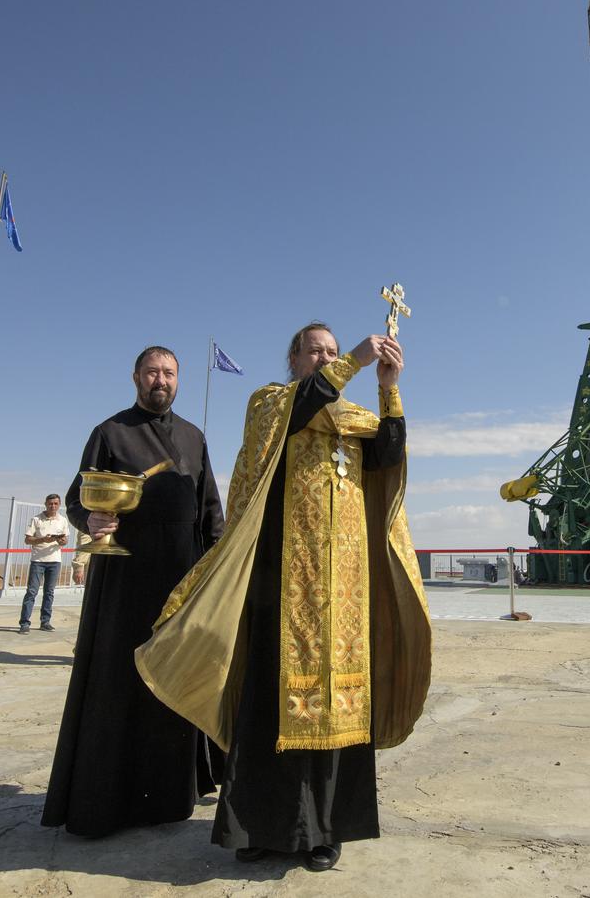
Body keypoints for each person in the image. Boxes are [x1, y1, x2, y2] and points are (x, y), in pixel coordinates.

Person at [136, 322, 432, 873]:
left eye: (332, 351)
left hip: (344, 592)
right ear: (294, 359)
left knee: (339, 707)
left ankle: (327, 831)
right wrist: (354, 363)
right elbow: (295, 413)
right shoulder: (271, 403)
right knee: (270, 705)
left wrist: (389, 387)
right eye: (314, 350)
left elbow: (388, 458)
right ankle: (259, 826)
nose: (324, 358)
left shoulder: (354, 422)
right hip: (281, 581)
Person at [42, 345, 226, 837]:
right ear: (135, 378)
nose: (159, 380)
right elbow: (80, 498)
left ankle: (171, 795)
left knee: (174, 682)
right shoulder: (110, 432)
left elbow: (211, 511)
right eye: (151, 372)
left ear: (178, 380)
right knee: (118, 684)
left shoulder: (194, 437)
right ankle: (107, 800)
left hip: (181, 579)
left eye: (168, 373)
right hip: (124, 580)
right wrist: (90, 517)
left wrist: (217, 570)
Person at [18, 494, 68, 634]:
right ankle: (24, 623)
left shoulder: (62, 520)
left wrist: (61, 541)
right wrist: (42, 540)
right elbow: (28, 540)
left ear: (59, 505)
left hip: (55, 560)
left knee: (49, 592)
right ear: (45, 504)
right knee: (32, 592)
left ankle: (45, 621)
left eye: (56, 503)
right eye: (50, 503)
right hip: (38, 561)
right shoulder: (36, 520)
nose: (53, 506)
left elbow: (65, 540)